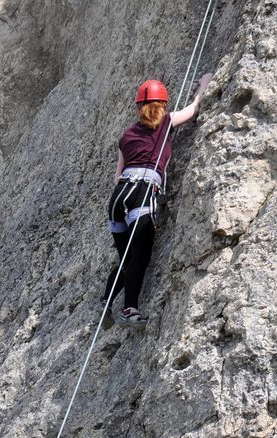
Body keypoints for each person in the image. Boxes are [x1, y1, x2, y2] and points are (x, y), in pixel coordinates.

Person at [102, 73, 213, 328]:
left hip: (118, 199)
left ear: (139, 107)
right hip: (142, 195)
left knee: (127, 258)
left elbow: (117, 175)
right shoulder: (168, 122)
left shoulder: (127, 135)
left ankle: (106, 301)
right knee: (139, 256)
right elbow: (195, 108)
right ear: (163, 105)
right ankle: (129, 309)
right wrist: (204, 83)